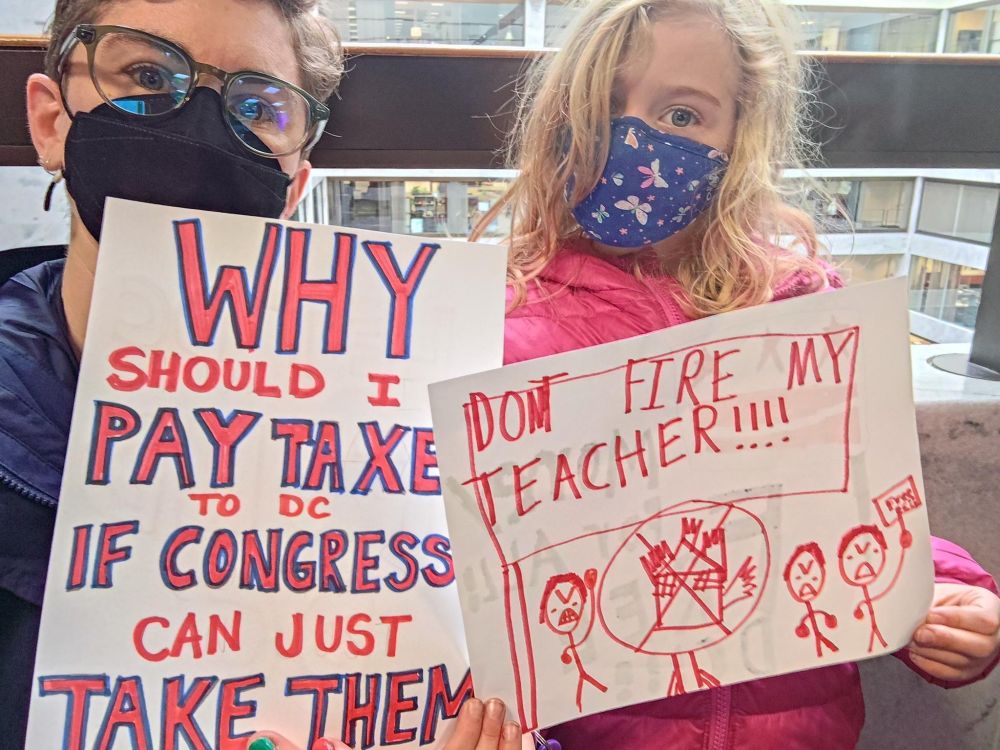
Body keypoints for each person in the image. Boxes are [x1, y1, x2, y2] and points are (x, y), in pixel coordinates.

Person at [468, 0, 1000, 747]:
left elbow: (863, 503)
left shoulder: (802, 310)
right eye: (602, 108)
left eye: (684, 115)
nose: (635, 140)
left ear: (742, 134)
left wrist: (946, 596)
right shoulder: (505, 336)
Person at [0, 2, 521, 749]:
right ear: (52, 121)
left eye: (256, 107)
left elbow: (480, 687)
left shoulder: (419, 435)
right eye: (147, 73)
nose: (198, 123)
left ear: (295, 183)